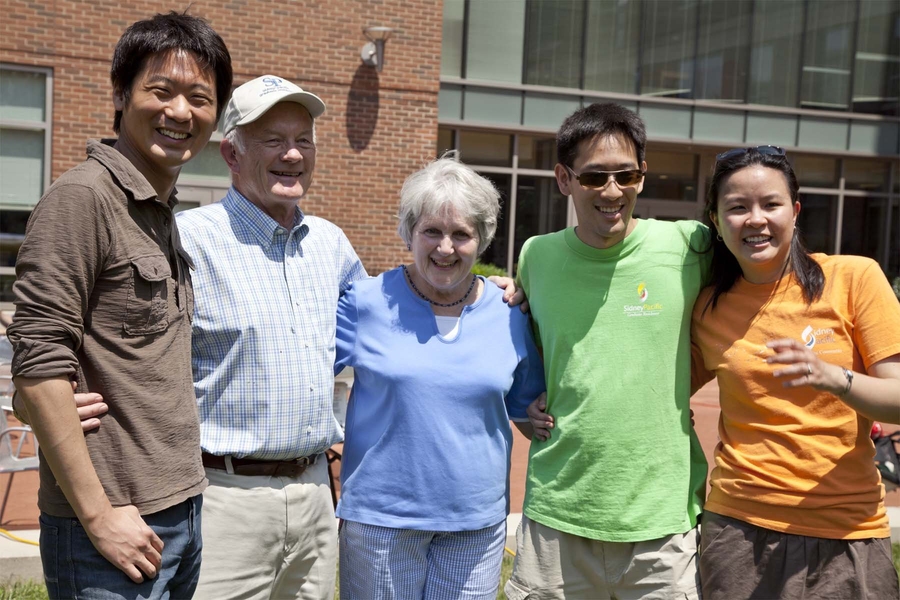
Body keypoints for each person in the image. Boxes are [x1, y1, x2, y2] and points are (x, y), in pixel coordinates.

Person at [6, 11, 231, 599]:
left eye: (200, 98)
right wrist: (100, 515)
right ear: (121, 94)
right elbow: (36, 361)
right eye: (161, 91)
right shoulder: (82, 200)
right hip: (111, 524)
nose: (180, 112)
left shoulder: (158, 210)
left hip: (178, 509)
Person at [505, 103, 710, 599]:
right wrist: (522, 405)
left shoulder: (691, 246)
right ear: (564, 178)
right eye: (595, 177)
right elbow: (523, 348)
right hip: (558, 515)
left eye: (627, 174)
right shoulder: (538, 255)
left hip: (661, 523)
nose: (613, 191)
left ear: (643, 174)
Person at [174, 75, 365, 599]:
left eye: (304, 139)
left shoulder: (331, 245)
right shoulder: (188, 241)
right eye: (273, 141)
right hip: (224, 499)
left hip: (313, 496)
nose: (293, 154)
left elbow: (392, 319)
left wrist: (483, 293)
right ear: (231, 154)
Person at [691, 146, 900, 599]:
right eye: (737, 207)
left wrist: (833, 378)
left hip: (850, 530)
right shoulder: (707, 308)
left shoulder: (854, 278)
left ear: (795, 210)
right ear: (716, 219)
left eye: (771, 204)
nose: (756, 219)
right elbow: (654, 390)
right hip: (740, 532)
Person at [334, 155, 545, 599]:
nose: (445, 247)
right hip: (380, 524)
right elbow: (305, 377)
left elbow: (526, 408)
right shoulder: (365, 301)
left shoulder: (510, 311)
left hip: (476, 525)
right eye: (432, 230)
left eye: (461, 234)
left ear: (482, 239)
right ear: (410, 231)